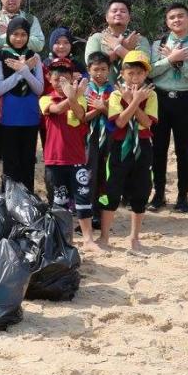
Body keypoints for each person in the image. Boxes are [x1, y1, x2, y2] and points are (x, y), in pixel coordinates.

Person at [148, 2, 188, 212]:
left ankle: (182, 197)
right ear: (167, 21)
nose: (176, 20)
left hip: (184, 100)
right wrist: (170, 59)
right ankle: (159, 194)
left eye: (181, 16)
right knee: (158, 149)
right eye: (172, 17)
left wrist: (182, 64)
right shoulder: (158, 44)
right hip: (159, 99)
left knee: (184, 150)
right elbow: (150, 72)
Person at [100, 50, 158, 250]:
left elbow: (147, 123)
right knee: (112, 190)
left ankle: (134, 237)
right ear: (122, 74)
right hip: (119, 145)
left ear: (145, 75)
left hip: (142, 146)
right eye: (130, 73)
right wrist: (133, 100)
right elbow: (121, 122)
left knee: (141, 190)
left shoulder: (151, 95)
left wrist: (134, 101)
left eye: (139, 74)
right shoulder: (116, 94)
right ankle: (105, 236)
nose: (135, 78)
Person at [40, 59, 96, 250]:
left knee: (82, 198)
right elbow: (56, 109)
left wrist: (75, 96)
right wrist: (74, 94)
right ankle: (62, 239)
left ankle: (88, 240)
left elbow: (80, 115)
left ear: (73, 78)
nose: (61, 83)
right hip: (55, 159)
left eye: (65, 79)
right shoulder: (45, 98)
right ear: (49, 78)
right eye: (57, 79)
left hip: (77, 158)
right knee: (59, 200)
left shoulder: (80, 99)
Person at [0, 17, 44, 191]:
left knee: (28, 161)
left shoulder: (35, 57)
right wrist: (22, 72)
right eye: (15, 34)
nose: (19, 38)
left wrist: (24, 70)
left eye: (23, 34)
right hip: (9, 116)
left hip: (30, 116)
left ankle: (28, 201)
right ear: (8, 35)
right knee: (11, 162)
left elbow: (39, 89)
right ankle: (9, 200)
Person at [84, 52, 116, 219]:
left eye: (103, 69)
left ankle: (101, 212)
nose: (99, 73)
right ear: (89, 70)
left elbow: (119, 116)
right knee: (89, 172)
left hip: (109, 136)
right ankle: (88, 211)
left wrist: (103, 108)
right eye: (95, 69)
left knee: (105, 172)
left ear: (109, 70)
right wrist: (99, 109)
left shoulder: (114, 91)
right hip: (89, 137)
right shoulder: (84, 90)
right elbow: (81, 116)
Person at [84, 0, 151, 72]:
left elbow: (144, 66)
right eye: (114, 11)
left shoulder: (139, 39)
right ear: (106, 17)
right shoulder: (96, 38)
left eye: (123, 11)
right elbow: (92, 65)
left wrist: (118, 48)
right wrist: (124, 48)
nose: (118, 13)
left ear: (129, 18)